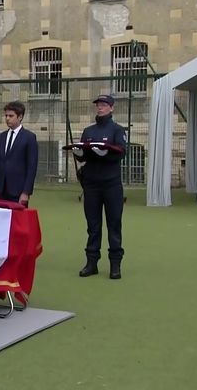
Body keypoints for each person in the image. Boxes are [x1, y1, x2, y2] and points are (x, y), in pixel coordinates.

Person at [72, 94, 127, 280]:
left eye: (104, 105)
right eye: (98, 105)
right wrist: (79, 154)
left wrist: (106, 154)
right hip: (92, 184)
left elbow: (121, 153)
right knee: (93, 225)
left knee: (114, 224)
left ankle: (115, 265)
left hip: (111, 184)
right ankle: (91, 262)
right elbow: (84, 156)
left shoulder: (118, 130)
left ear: (111, 108)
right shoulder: (89, 131)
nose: (100, 107)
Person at [0, 101, 38, 206]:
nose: (7, 118)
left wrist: (26, 192)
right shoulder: (1, 138)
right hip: (1, 191)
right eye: (6, 115)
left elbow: (32, 167)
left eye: (11, 116)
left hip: (18, 191)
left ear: (20, 117)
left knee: (18, 221)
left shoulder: (29, 138)